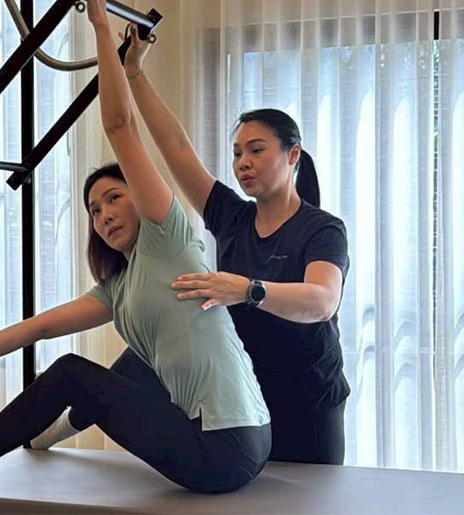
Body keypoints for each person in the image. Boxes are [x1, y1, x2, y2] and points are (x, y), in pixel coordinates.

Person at [0, 0, 271, 494]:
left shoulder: (169, 239)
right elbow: (38, 327)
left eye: (114, 198)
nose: (104, 214)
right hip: (249, 434)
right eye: (94, 210)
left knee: (75, 372)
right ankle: (49, 431)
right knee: (136, 359)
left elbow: (120, 125)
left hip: (224, 448)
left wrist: (99, 24)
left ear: (140, 198)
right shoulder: (122, 285)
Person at [117, 24, 350, 464]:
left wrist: (246, 289)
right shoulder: (231, 216)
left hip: (310, 402)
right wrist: (134, 73)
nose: (243, 163)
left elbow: (321, 301)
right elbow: (176, 147)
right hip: (246, 398)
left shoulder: (322, 229)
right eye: (238, 153)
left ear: (292, 155)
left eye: (256, 150)